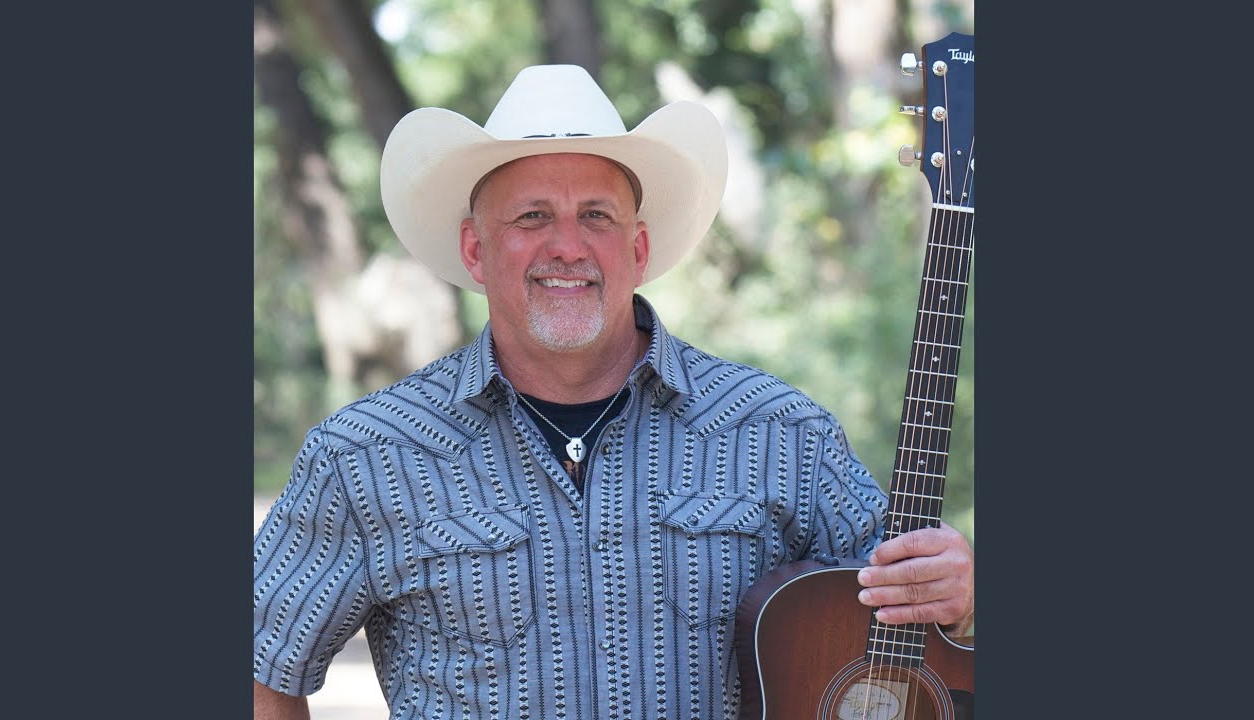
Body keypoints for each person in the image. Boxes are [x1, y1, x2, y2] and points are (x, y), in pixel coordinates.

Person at [253, 64, 974, 720]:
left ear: (638, 247)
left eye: (597, 215)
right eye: (532, 216)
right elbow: (260, 663)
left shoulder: (781, 433)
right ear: (475, 249)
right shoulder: (365, 455)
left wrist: (960, 593)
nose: (568, 246)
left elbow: (908, 616)